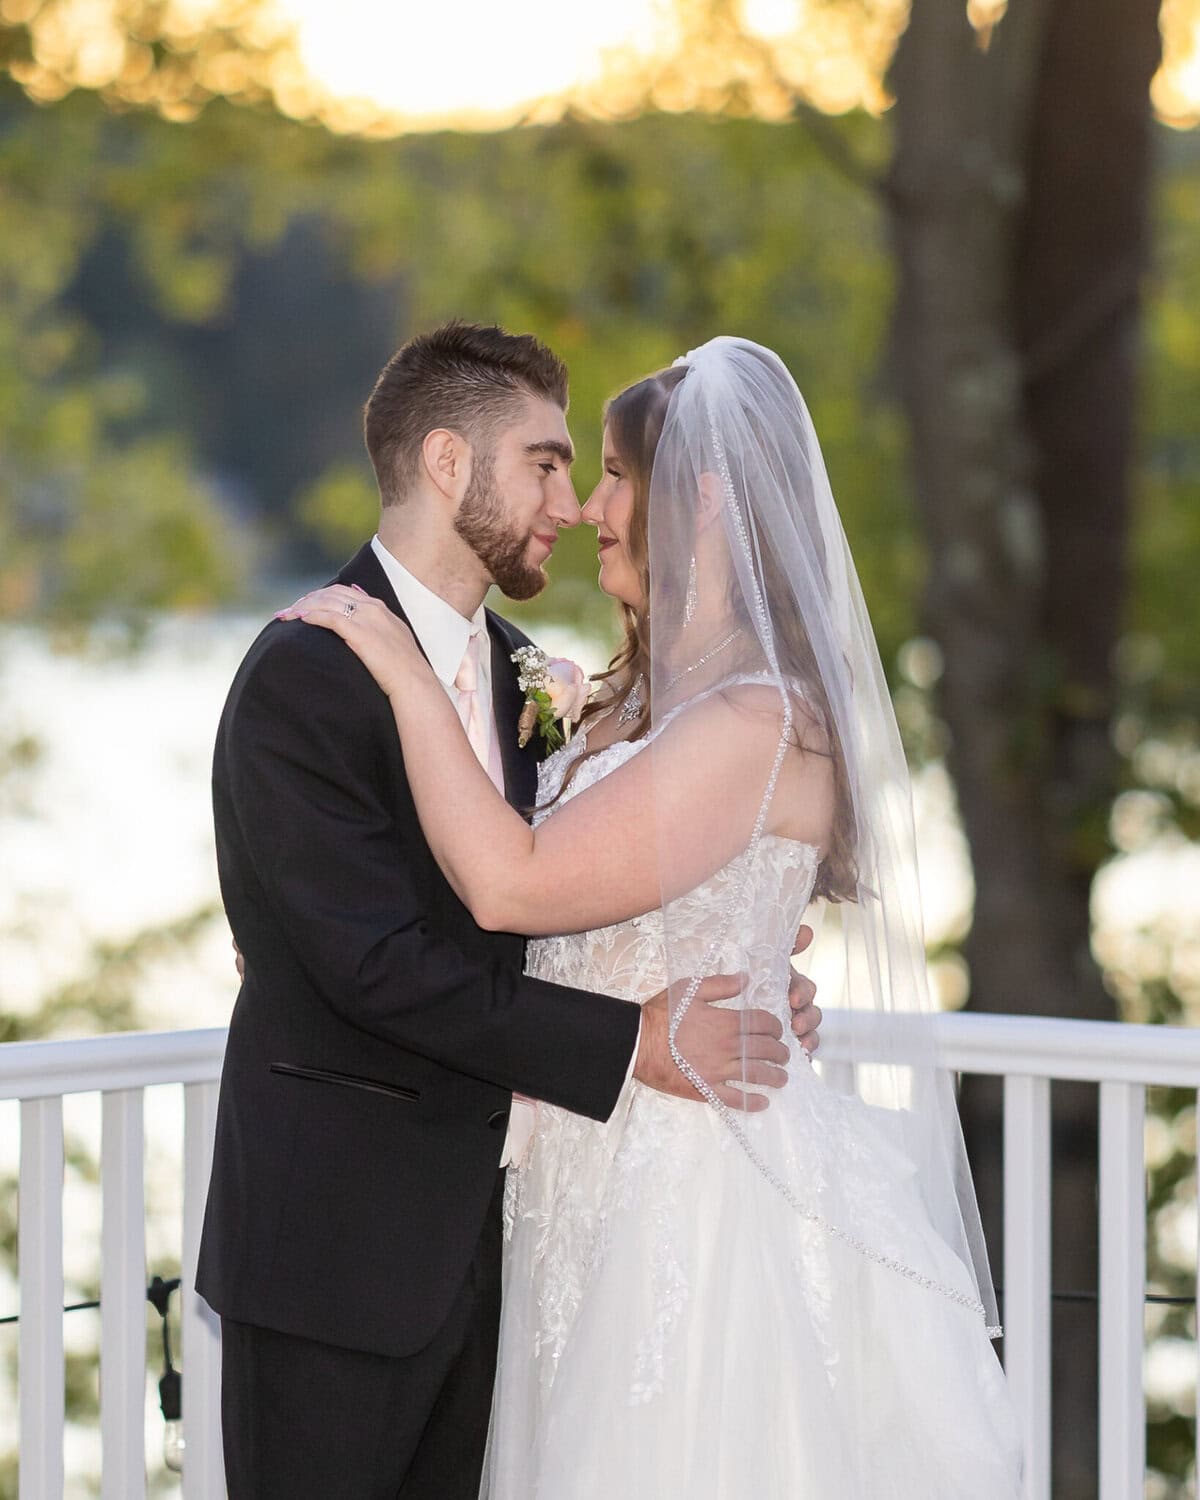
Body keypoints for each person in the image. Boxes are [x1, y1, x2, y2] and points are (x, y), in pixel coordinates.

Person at [284, 336, 1025, 1497]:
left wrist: (401, 669)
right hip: (571, 1182)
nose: (587, 510)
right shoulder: (622, 701)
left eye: (616, 475)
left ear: (706, 497)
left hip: (695, 1196)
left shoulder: (759, 719)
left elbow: (518, 884)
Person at [197, 323, 821, 1500]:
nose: (576, 503)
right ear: (447, 464)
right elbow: (371, 965)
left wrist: (744, 964)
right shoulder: (309, 668)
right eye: (544, 462)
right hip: (340, 1253)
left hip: (527, 1251)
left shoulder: (547, 680)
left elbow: (595, 894)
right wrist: (635, 1036)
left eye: (588, 469)